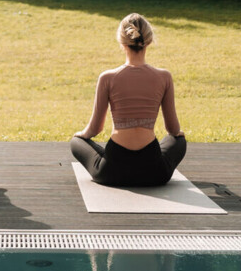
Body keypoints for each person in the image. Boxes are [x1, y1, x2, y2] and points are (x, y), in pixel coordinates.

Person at [70, 13, 186, 187]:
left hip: (111, 171)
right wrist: (178, 135)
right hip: (154, 172)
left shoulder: (107, 77)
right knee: (179, 141)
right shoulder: (164, 77)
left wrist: (81, 136)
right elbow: (173, 129)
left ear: (122, 42)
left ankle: (100, 155)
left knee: (76, 142)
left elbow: (94, 130)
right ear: (149, 41)